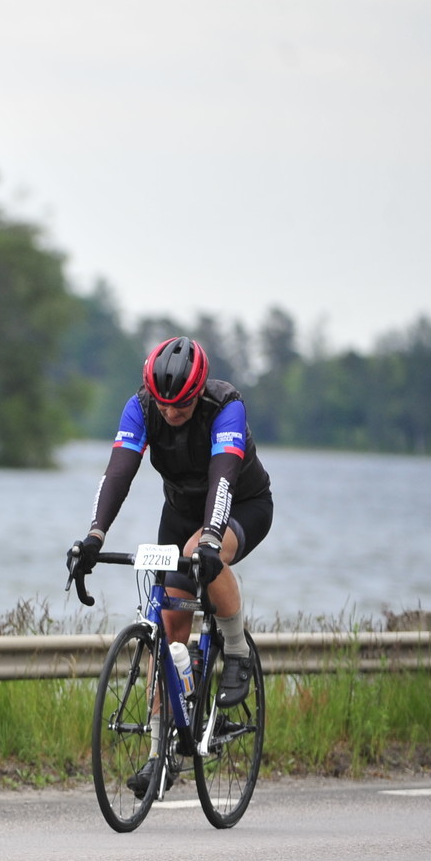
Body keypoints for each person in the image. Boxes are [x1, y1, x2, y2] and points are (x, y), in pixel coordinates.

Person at [66, 336, 273, 797]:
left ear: (197, 393)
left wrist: (212, 539)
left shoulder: (225, 407)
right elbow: (118, 472)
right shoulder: (141, 407)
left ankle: (236, 649)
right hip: (179, 512)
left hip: (242, 505)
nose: (169, 412)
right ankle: (161, 755)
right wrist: (95, 536)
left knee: (201, 550)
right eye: (162, 403)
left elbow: (223, 480)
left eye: (179, 405)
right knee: (168, 631)